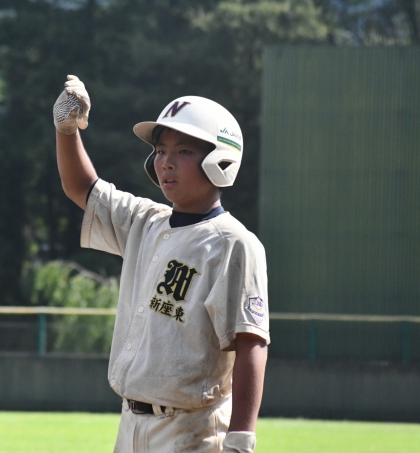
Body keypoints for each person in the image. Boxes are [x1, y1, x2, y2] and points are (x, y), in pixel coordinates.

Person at [53, 75, 269, 453]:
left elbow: (251, 342)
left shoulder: (232, 243)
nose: (165, 162)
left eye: (183, 151)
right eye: (160, 150)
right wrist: (66, 130)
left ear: (220, 159)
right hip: (130, 423)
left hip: (192, 428)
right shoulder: (145, 221)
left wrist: (240, 440)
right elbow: (82, 188)